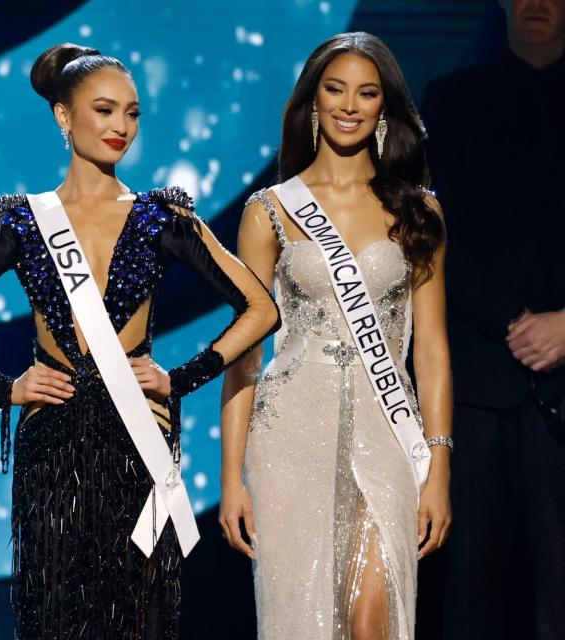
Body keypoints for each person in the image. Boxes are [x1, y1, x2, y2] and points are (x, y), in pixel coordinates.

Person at [0, 43, 279, 639]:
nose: (120, 127)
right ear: (62, 115)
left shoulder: (161, 217)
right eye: (104, 111)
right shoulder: (21, 221)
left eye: (132, 113)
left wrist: (182, 378)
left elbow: (261, 308)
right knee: (56, 615)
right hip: (50, 444)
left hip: (138, 439)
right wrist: (4, 389)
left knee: (136, 615)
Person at [219, 32, 452, 639]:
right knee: (304, 620)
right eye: (336, 89)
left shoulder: (418, 210)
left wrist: (441, 469)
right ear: (313, 101)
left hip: (389, 433)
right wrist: (230, 480)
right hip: (291, 432)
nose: (350, 105)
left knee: (374, 618)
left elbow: (430, 349)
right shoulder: (269, 209)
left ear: (384, 107)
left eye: (367, 93)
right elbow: (243, 355)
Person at [422, 1, 565, 637]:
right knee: (474, 590)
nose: (537, 3)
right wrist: (514, 319)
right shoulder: (452, 101)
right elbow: (432, 239)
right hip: (479, 381)